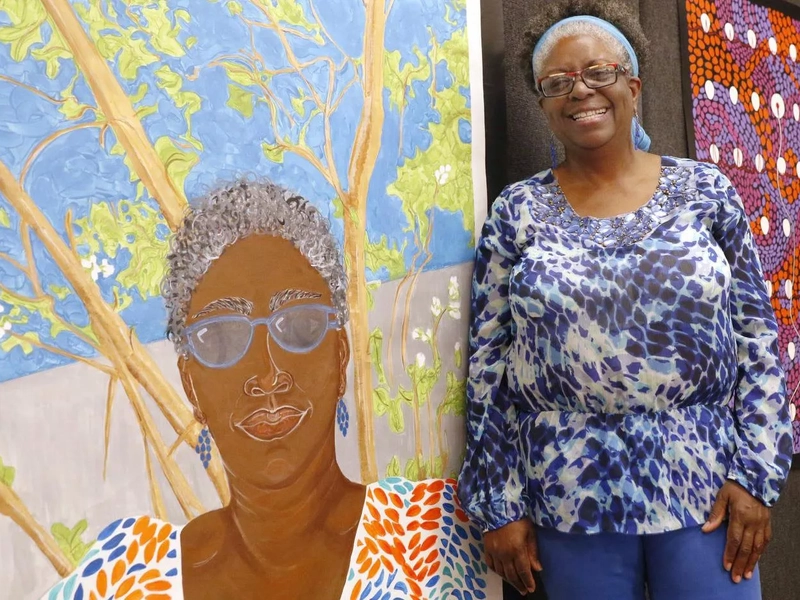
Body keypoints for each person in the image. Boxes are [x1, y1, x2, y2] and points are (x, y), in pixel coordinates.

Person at [457, 1, 793, 599]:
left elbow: (758, 339)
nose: (580, 91)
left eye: (599, 72)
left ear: (633, 86)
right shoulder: (517, 213)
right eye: (557, 83)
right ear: (543, 105)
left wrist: (756, 474)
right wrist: (497, 501)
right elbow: (488, 365)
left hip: (707, 488)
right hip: (570, 494)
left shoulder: (706, 193)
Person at [42, 180, 486, 600]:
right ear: (191, 385)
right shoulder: (128, 576)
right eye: (222, 337)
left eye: (299, 325)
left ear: (340, 355)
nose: (267, 374)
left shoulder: (428, 535)